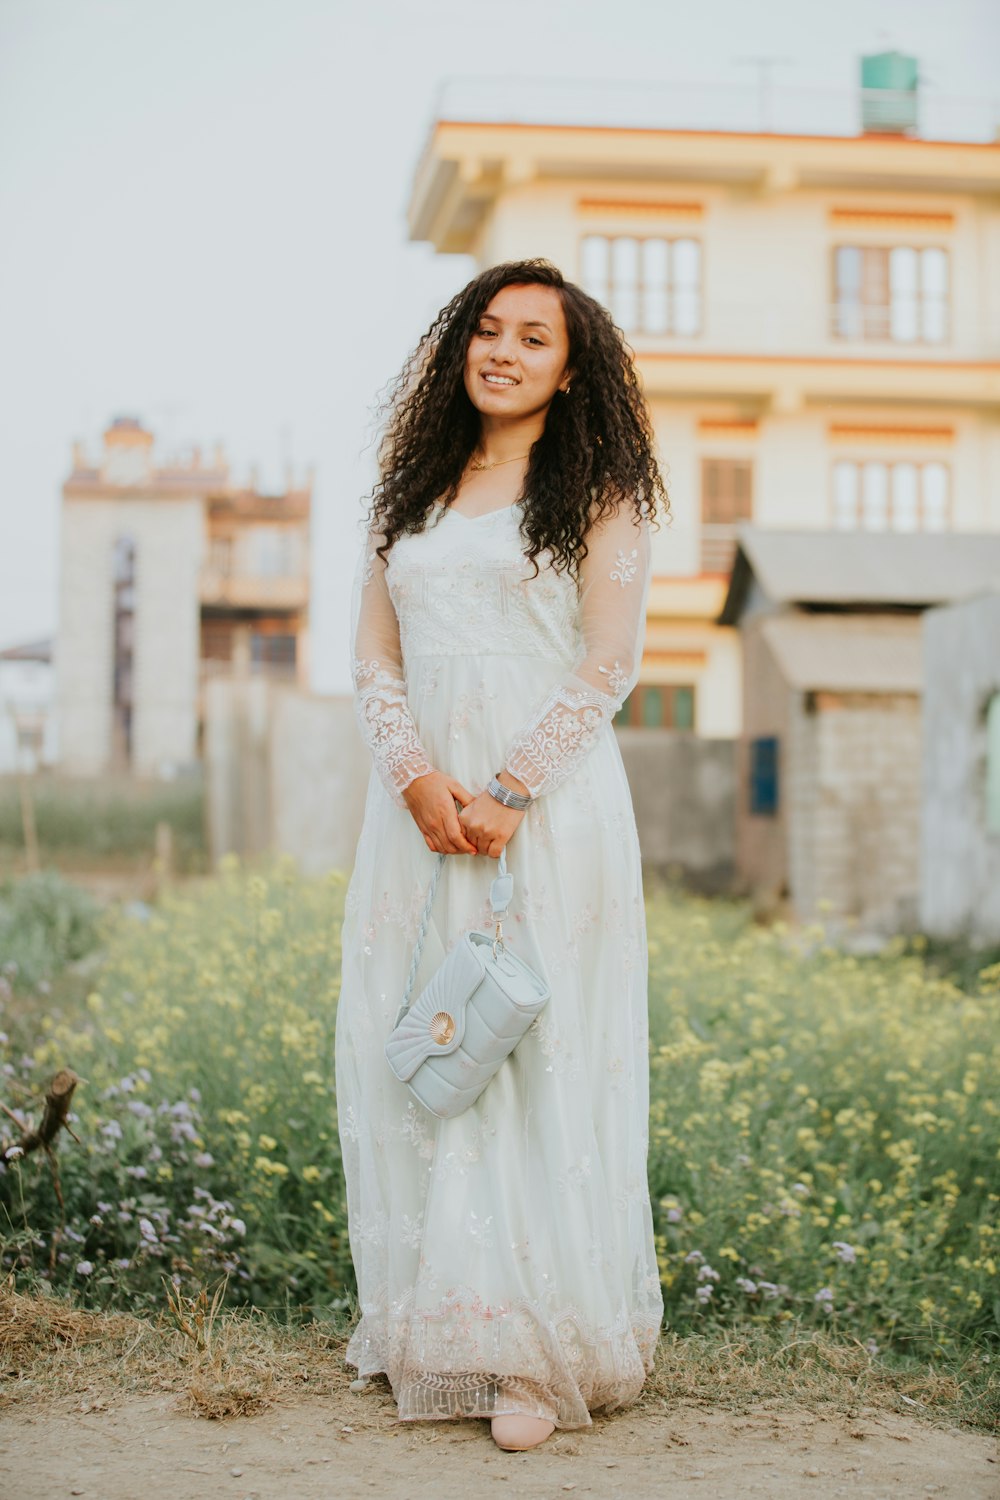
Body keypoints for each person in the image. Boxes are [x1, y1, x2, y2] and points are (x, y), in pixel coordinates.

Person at [335, 257, 668, 1453]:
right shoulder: (407, 488)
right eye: (487, 330)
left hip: (548, 805)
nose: (504, 351)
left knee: (535, 1043)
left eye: (534, 338)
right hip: (414, 807)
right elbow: (373, 656)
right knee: (428, 1032)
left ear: (572, 370)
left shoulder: (602, 488)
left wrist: (511, 787)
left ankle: (537, 1347)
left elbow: (607, 663)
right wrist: (419, 776)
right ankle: (442, 1330)